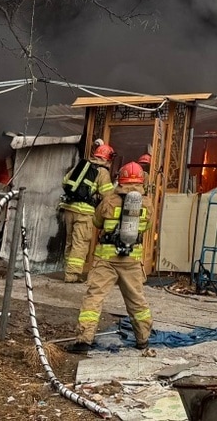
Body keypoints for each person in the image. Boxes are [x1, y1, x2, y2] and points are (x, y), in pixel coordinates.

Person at [69, 162, 152, 353]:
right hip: (132, 260)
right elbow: (147, 228)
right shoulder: (147, 203)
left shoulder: (108, 201)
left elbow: (97, 221)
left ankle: (83, 340)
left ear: (120, 180)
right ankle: (143, 340)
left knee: (94, 298)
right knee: (137, 301)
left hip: (106, 260)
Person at [59, 140, 115, 283]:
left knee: (70, 241)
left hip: (68, 208)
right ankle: (72, 275)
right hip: (85, 212)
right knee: (81, 242)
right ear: (107, 159)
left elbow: (65, 182)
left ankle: (68, 270)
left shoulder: (82, 165)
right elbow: (107, 196)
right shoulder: (102, 172)